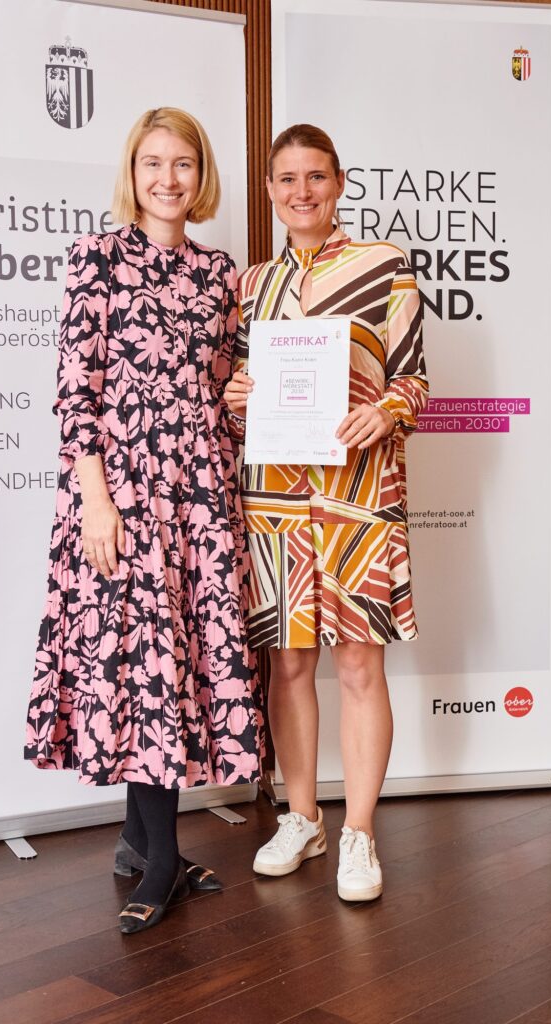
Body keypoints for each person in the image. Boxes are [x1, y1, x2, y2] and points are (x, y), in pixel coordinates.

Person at [25, 107, 262, 933]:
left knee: (170, 659)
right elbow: (75, 391)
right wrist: (94, 499)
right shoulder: (96, 257)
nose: (168, 178)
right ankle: (160, 860)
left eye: (183, 163)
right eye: (152, 162)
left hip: (199, 493)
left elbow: (222, 393)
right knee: (142, 662)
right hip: (121, 494)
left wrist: (241, 396)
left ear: (202, 176)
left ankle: (137, 841)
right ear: (132, 173)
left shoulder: (220, 273)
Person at [224, 124, 427, 902]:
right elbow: (237, 387)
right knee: (288, 662)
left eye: (314, 176)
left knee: (358, 663)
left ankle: (359, 833)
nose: (301, 191)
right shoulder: (250, 287)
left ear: (338, 182)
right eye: (286, 179)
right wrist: (234, 393)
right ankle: (302, 818)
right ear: (269, 191)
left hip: (357, 492)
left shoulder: (384, 267)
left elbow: (413, 380)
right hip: (275, 497)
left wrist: (387, 410)